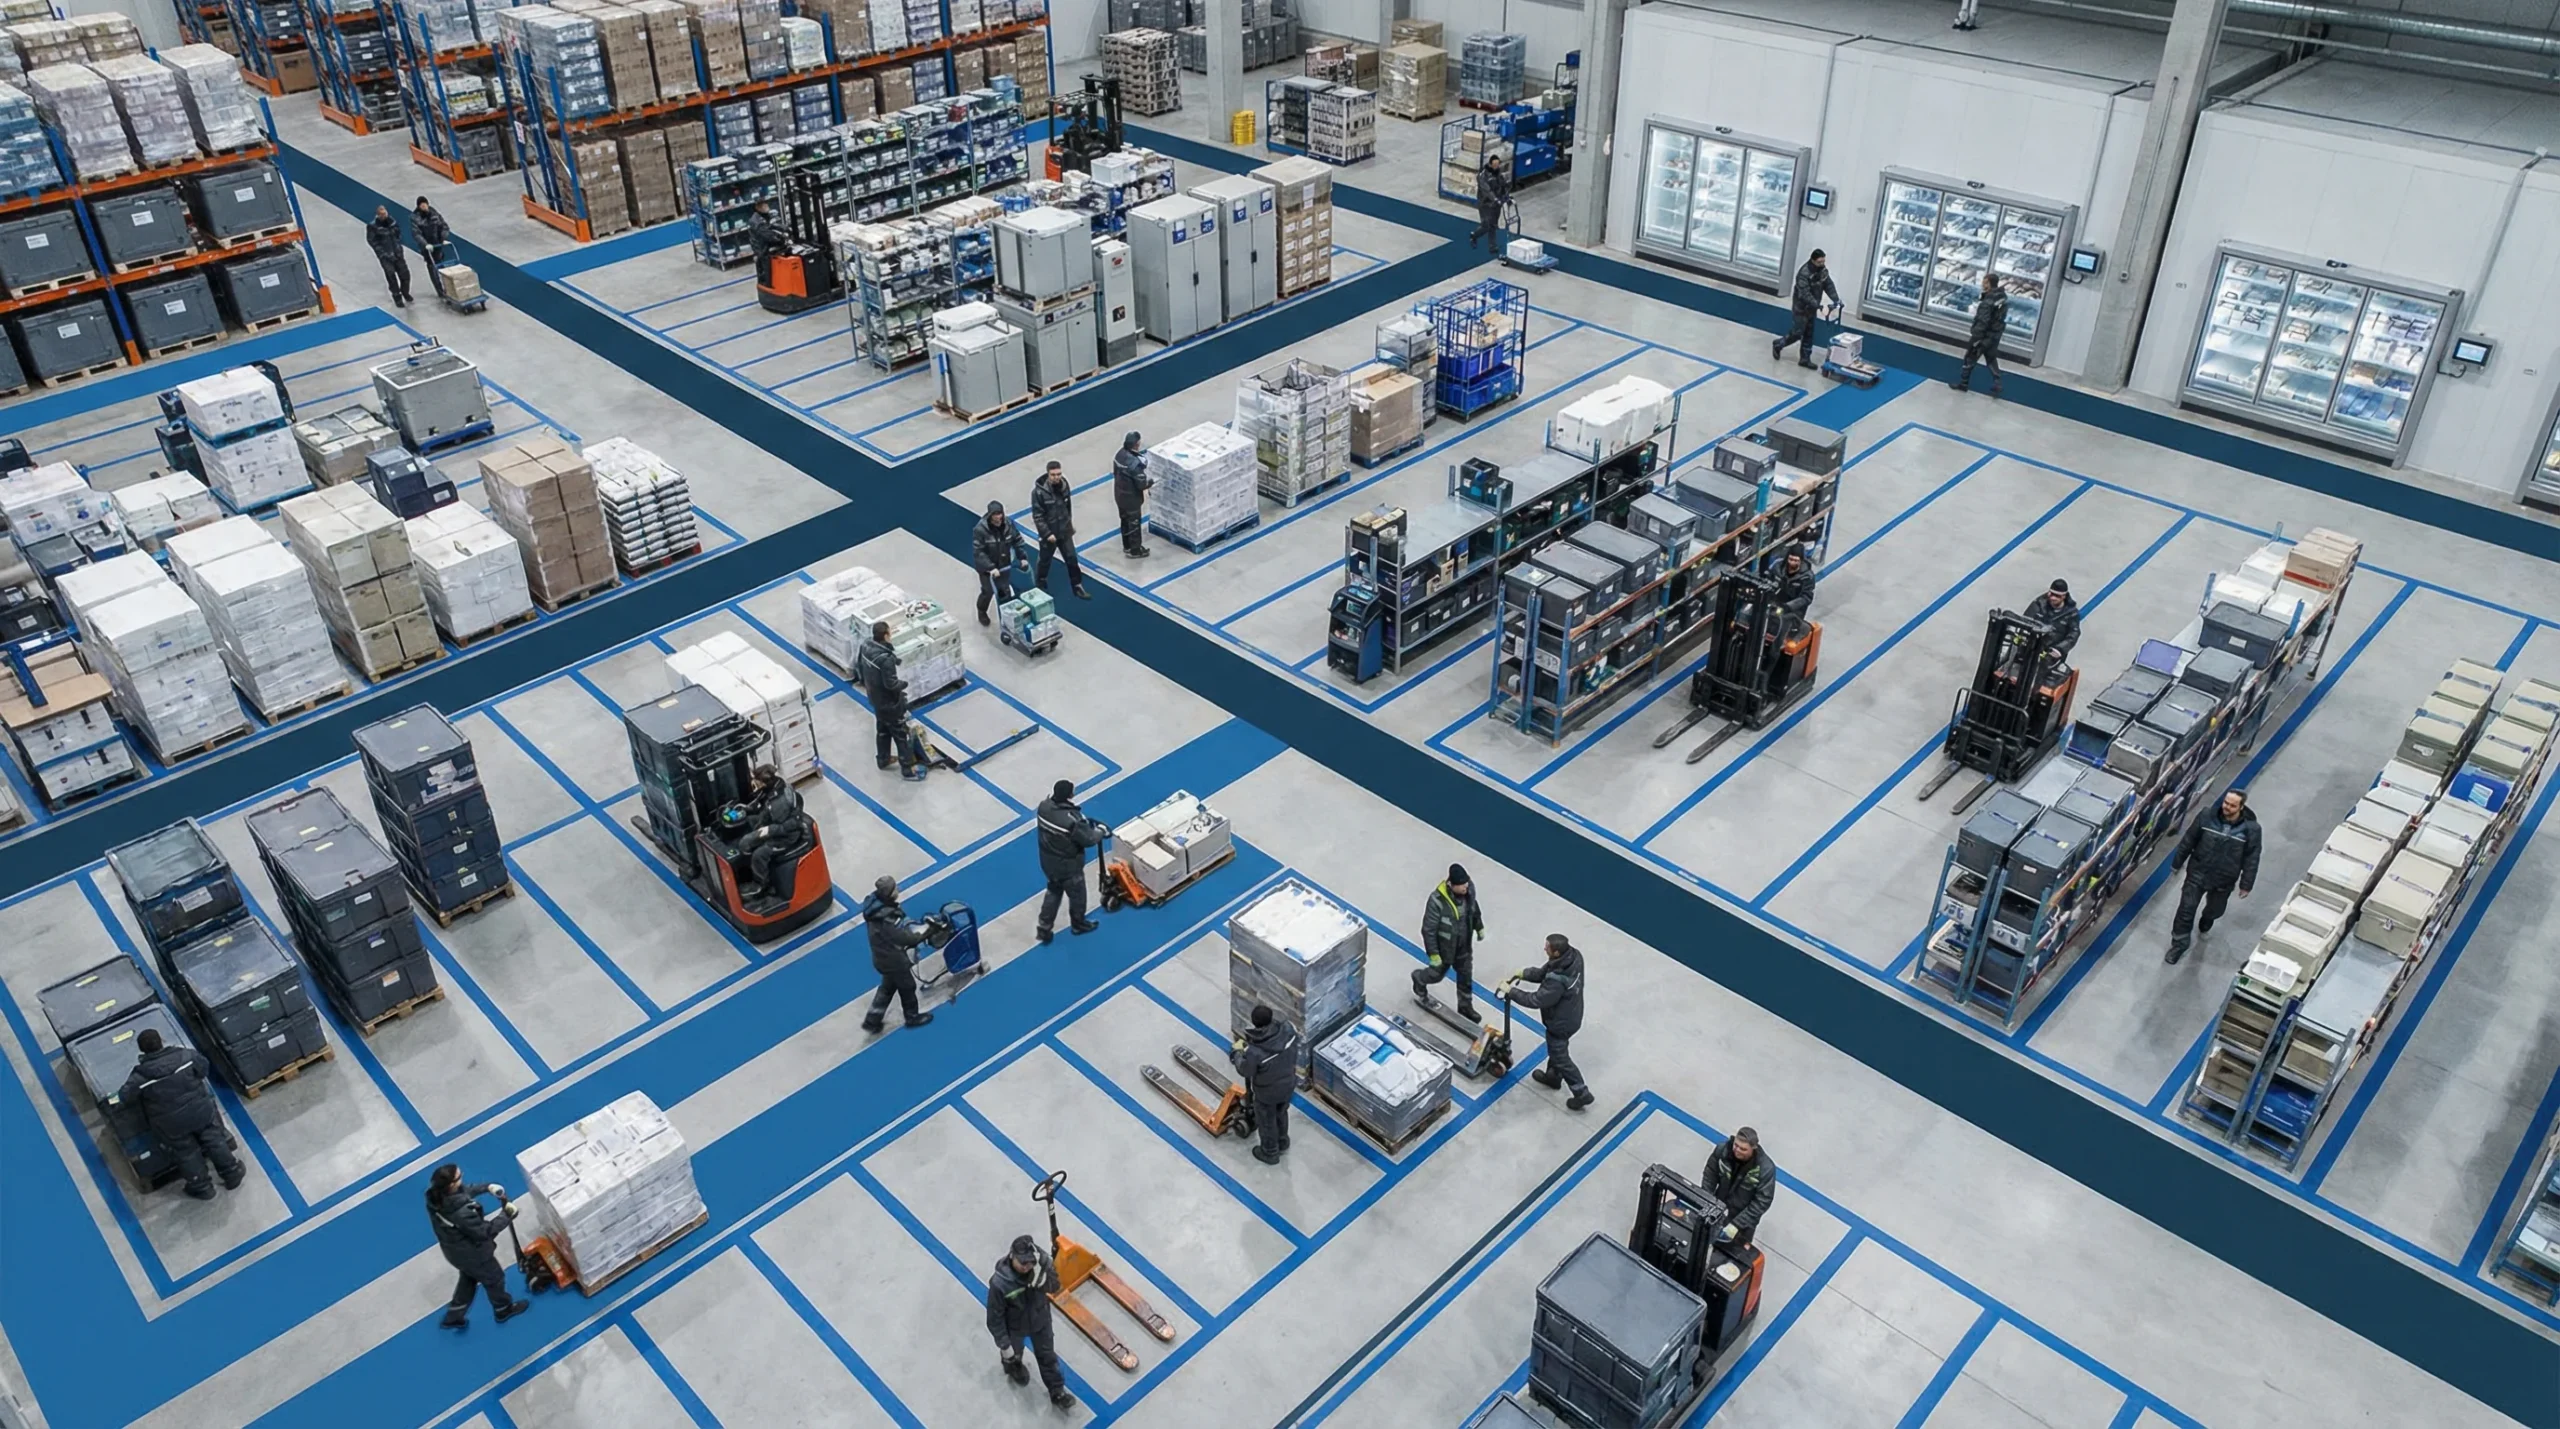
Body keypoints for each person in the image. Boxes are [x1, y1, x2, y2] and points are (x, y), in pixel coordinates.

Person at [116, 1027, 243, 1201]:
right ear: (162, 1041)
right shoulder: (186, 1057)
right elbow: (204, 1068)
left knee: (186, 1152)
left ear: (141, 1050)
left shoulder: (140, 1076)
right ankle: (231, 1172)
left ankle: (202, 1187)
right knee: (214, 1138)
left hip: (171, 1124)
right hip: (200, 1111)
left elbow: (125, 1097)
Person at [426, 1163, 529, 1328]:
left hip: (455, 1252)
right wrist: (507, 1214)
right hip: (474, 1254)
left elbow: (463, 1192)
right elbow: (484, 1232)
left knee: (468, 1280)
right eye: (459, 1177)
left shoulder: (436, 1198)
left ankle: (453, 1316)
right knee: (495, 1278)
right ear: (451, 1184)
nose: (462, 1179)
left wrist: (486, 1187)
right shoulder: (461, 1213)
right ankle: (503, 1309)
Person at [2166, 788, 2260, 964]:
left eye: (2232, 805)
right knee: (2186, 909)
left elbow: (2252, 858)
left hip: (2224, 879)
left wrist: (2246, 884)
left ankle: (2208, 918)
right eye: (2226, 803)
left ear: (2241, 807)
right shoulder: (2206, 817)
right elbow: (2189, 840)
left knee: (2215, 909)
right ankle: (2179, 944)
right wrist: (2177, 863)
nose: (2227, 807)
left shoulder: (2251, 830)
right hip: (2197, 873)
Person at [986, 1233, 1077, 1411]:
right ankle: (1013, 1366)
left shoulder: (1041, 1265)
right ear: (1012, 1256)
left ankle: (1057, 1391)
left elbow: (1055, 1287)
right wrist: (1004, 1345)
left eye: (1030, 1262)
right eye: (1022, 1263)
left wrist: (1042, 1279)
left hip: (1040, 1321)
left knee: (1048, 1357)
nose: (1027, 1267)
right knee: (1013, 1354)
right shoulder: (1000, 1284)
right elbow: (994, 1317)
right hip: (1014, 1328)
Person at [1505, 934, 1593, 1111]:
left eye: (1548, 947)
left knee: (1560, 1057)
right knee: (1556, 1050)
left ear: (1556, 952)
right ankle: (1553, 1077)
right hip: (1572, 1015)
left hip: (1561, 1023)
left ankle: (1582, 1093)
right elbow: (1544, 973)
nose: (1544, 949)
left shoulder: (1557, 982)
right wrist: (1525, 973)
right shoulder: (1573, 957)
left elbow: (1536, 1000)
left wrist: (1511, 992)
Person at [859, 874, 937, 1032]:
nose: (898, 889)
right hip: (893, 960)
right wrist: (927, 931)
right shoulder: (887, 918)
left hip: (881, 958)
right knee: (907, 987)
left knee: (887, 987)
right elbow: (905, 938)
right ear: (889, 893)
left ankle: (872, 1020)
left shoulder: (878, 909)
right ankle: (912, 1017)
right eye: (895, 888)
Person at [1034, 779, 1106, 944]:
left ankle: (1044, 928)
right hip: (1068, 867)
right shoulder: (1072, 820)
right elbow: (1089, 839)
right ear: (1069, 795)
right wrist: (1100, 831)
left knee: (1053, 892)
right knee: (1078, 896)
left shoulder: (1043, 807)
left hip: (1048, 862)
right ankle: (1078, 924)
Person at [1410, 864, 1484, 1018]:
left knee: (1465, 978)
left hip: (1464, 947)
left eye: (1466, 883)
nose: (1466, 887)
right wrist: (1434, 954)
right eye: (1462, 885)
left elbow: (1474, 910)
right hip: (1445, 949)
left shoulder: (1469, 891)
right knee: (1436, 975)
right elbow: (1428, 930)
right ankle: (1419, 978)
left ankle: (1465, 1007)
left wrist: (1479, 927)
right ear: (1452, 884)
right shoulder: (1437, 901)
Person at [855, 620, 924, 780]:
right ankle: (907, 769)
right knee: (901, 734)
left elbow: (859, 666)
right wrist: (905, 684)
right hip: (890, 703)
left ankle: (883, 759)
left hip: (875, 698)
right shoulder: (885, 659)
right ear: (886, 635)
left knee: (883, 730)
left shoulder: (865, 646)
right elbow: (891, 684)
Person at [1231, 1004, 1300, 1165]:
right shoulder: (1288, 1031)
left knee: (1267, 1120)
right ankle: (1283, 1141)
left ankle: (1270, 1152)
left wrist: (1237, 1054)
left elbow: (1246, 1070)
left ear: (1254, 1023)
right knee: (1281, 1113)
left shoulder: (1256, 1051)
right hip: (1288, 1084)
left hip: (1267, 1093)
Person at [1700, 1127, 1776, 1249]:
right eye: (1736, 1145)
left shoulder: (1765, 1169)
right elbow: (1710, 1175)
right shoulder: (1722, 1151)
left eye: (1743, 1149)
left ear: (1754, 1148)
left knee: (1731, 1258)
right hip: (1717, 1210)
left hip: (1743, 1224)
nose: (1737, 1150)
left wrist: (1736, 1224)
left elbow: (1763, 1201)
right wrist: (1706, 1200)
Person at [735, 764, 805, 894]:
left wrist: (769, 830)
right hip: (772, 825)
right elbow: (762, 805)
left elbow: (790, 826)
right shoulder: (774, 787)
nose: (753, 782)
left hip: (785, 838)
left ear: (763, 782)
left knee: (758, 854)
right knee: (748, 822)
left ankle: (761, 884)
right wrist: (748, 809)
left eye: (756, 780)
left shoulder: (781, 803)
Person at [1030, 461, 1090, 599]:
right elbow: (1038, 516)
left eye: (1059, 474)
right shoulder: (1039, 492)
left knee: (1072, 558)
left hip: (1064, 531)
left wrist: (1069, 524)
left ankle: (1077, 585)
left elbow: (1067, 507)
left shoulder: (1064, 486)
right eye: (1053, 475)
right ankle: (1040, 584)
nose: (1056, 477)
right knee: (1045, 560)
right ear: (1048, 474)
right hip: (1049, 534)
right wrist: (1047, 533)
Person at [1773, 250, 1840, 368]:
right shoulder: (1804, 274)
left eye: (1823, 261)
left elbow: (1828, 284)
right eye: (1820, 262)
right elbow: (1804, 294)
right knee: (1798, 332)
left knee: (1809, 333)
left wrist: (1836, 299)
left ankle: (1805, 358)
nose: (1822, 264)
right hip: (1801, 308)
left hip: (1812, 308)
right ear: (1813, 260)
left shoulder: (1822, 271)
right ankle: (1779, 344)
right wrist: (1818, 305)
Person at [1951, 273, 2009, 396]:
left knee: (1970, 357)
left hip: (1984, 335)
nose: (1982, 284)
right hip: (1995, 334)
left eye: (1984, 282)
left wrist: (1976, 337)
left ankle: (1963, 383)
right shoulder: (2002, 297)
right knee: (1991, 358)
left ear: (1989, 283)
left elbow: (1983, 320)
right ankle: (1997, 383)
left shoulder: (1987, 302)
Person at [973, 500, 1022, 626]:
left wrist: (1022, 557)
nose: (998, 517)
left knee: (1004, 590)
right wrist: (991, 567)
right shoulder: (980, 529)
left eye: (1000, 514)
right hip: (987, 569)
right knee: (988, 591)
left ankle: (1008, 619)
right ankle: (982, 610)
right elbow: (979, 552)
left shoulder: (1008, 524)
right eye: (995, 514)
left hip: (1004, 564)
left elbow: (1017, 540)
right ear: (990, 515)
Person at [1112, 432, 1153, 559]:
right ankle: (1135, 550)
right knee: (1134, 523)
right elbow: (1141, 484)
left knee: (1124, 520)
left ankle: (1127, 545)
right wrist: (1150, 482)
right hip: (1131, 498)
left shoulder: (1119, 455)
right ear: (1136, 445)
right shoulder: (1134, 464)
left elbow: (1114, 472)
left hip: (1119, 494)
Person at [365, 205, 412, 308]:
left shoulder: (392, 222)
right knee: (391, 277)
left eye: (385, 213)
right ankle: (397, 297)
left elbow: (398, 234)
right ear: (377, 215)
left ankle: (405, 292)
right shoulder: (373, 226)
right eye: (381, 214)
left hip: (397, 253)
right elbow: (372, 241)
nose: (384, 215)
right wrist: (382, 254)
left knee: (405, 275)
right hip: (386, 256)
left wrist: (399, 247)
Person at [2028, 578, 2080, 664]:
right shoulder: (2039, 604)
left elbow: (2074, 634)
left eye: (2057, 596)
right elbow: (2026, 620)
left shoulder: (2071, 614)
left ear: (2064, 596)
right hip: (2031, 645)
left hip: (2051, 653)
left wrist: (2059, 649)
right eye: (2051, 594)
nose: (2053, 598)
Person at [411, 196, 451, 299]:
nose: (424, 206)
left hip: (438, 244)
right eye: (421, 205)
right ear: (419, 206)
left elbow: (444, 226)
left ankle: (448, 288)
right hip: (427, 248)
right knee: (432, 268)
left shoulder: (434, 214)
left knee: (442, 266)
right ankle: (440, 291)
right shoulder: (415, 218)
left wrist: (443, 237)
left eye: (425, 204)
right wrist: (425, 244)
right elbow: (416, 234)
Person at [1471, 160, 1510, 251]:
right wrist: (1495, 199)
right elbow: (1487, 191)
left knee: (1493, 225)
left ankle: (1492, 246)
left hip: (1496, 204)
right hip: (1485, 204)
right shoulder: (1482, 176)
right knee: (1486, 225)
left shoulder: (1498, 174)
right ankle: (1474, 235)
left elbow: (1503, 185)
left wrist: (1506, 196)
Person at [747, 200, 784, 287]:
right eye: (763, 205)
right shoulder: (757, 221)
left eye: (766, 204)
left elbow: (770, 226)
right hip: (763, 252)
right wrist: (780, 239)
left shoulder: (763, 217)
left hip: (764, 250)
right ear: (758, 208)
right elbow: (767, 235)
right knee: (767, 276)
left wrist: (782, 228)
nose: (766, 206)